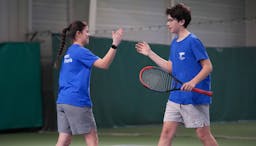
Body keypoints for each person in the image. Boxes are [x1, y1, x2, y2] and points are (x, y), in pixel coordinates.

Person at [135, 3, 218, 146]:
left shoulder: (193, 41)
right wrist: (150, 53)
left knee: (203, 134)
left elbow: (208, 66)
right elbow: (170, 67)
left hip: (195, 98)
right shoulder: (174, 43)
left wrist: (192, 82)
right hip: (176, 97)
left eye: (170, 20)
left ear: (181, 21)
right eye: (167, 20)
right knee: (166, 133)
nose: (167, 24)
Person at [54, 20, 123, 146]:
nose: (88, 34)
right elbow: (104, 64)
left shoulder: (69, 52)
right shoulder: (80, 51)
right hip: (77, 101)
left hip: (62, 101)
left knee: (64, 140)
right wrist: (115, 44)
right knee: (92, 140)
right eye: (87, 31)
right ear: (78, 33)